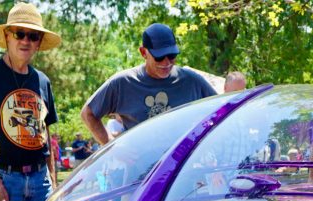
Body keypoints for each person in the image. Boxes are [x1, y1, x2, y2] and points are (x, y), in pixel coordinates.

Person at [80, 23, 216, 145]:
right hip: (142, 171)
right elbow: (88, 113)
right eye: (159, 57)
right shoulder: (123, 83)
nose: (166, 62)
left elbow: (221, 112)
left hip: (183, 167)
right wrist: (112, 147)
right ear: (144, 52)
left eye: (172, 55)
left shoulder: (191, 81)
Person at [0, 3, 61, 201]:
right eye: (20, 33)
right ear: (8, 36)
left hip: (40, 180)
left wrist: (52, 178)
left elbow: (46, 133)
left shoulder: (43, 81)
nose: (26, 40)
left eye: (33, 36)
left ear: (38, 43)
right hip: (5, 179)